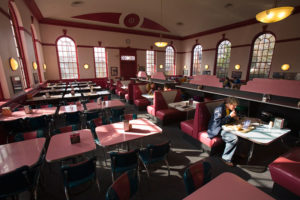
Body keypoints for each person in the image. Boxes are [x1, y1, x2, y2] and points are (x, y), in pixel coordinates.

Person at [207, 97, 239, 166]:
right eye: (234, 105)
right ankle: (225, 159)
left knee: (240, 133)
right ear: (228, 104)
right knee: (233, 138)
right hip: (216, 129)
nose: (235, 107)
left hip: (225, 127)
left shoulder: (229, 109)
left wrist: (234, 118)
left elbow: (227, 120)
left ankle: (237, 152)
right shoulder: (219, 109)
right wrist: (230, 116)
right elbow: (218, 123)